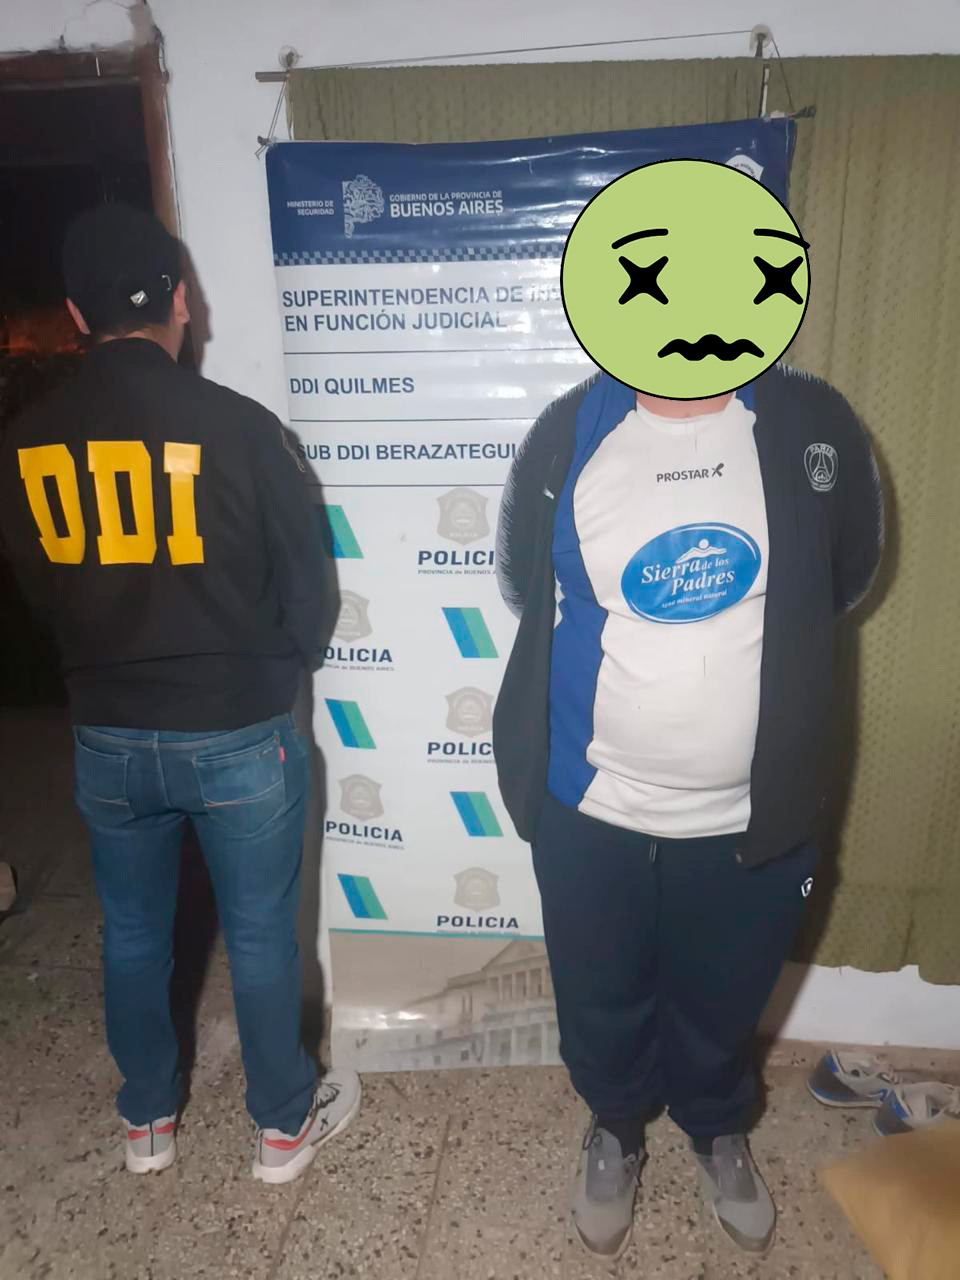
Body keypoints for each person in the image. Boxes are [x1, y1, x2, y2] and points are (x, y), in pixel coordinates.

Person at [0, 204, 359, 1185]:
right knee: (260, 935)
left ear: (77, 317)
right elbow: (311, 596)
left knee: (130, 932)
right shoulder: (243, 429)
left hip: (107, 734)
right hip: (237, 727)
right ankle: (280, 1130)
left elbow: (38, 594)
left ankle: (147, 1119)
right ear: (182, 301)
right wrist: (268, 674)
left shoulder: (24, 441)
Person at [493, 367, 883, 1257]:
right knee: (598, 989)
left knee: (727, 988)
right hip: (592, 801)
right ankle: (615, 1126)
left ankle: (716, 1126)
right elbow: (523, 586)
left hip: (753, 809)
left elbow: (848, 576)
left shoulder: (815, 421)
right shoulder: (567, 430)